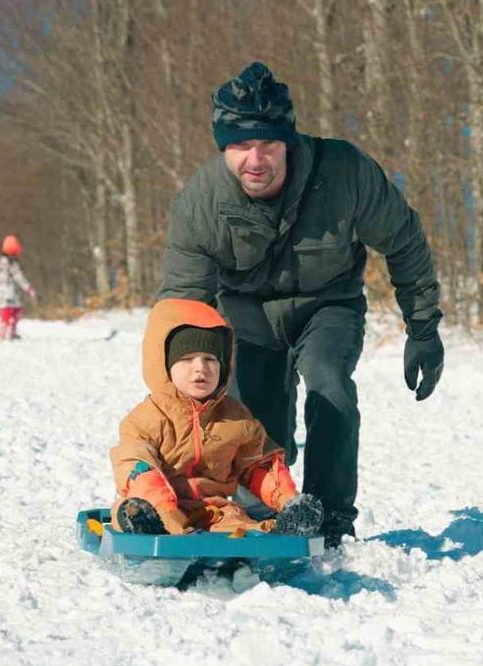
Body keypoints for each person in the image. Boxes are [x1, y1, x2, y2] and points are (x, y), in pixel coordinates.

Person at [158, 62, 445, 547]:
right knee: (257, 424)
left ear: (287, 141)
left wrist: (423, 327)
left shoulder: (344, 173)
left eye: (267, 144)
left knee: (329, 386)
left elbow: (404, 240)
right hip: (247, 318)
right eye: (240, 146)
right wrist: (173, 396)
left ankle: (331, 520)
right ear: (223, 147)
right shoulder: (199, 205)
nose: (255, 159)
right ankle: (269, 510)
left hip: (326, 305)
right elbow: (181, 309)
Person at [109, 298, 323, 537]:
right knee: (131, 511)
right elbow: (136, 466)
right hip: (158, 508)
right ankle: (140, 525)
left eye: (210, 359)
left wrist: (287, 500)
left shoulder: (235, 418)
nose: (200, 368)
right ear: (165, 366)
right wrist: (163, 509)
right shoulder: (146, 419)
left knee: (243, 527)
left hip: (213, 511)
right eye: (187, 359)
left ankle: (287, 532)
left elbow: (258, 464)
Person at [0, 235, 35, 341]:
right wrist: (29, 288)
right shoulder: (12, 263)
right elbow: (19, 277)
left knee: (7, 312)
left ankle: (6, 331)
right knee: (16, 310)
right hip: (9, 292)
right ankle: (7, 332)